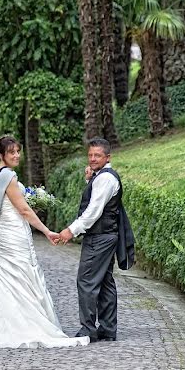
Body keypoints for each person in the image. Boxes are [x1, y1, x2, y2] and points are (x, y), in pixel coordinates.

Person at [0, 136, 90, 349]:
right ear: (1, 155)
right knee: (22, 277)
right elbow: (24, 210)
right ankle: (22, 326)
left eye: (18, 151)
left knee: (0, 280)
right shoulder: (8, 176)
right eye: (12, 152)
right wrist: (46, 231)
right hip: (12, 234)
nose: (17, 155)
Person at [56, 137, 126, 343]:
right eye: (90, 155)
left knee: (86, 280)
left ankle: (88, 329)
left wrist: (71, 230)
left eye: (97, 155)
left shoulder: (105, 178)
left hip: (100, 237)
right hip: (106, 236)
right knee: (104, 281)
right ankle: (107, 328)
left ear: (107, 157)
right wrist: (89, 179)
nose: (93, 159)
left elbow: (94, 211)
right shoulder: (101, 177)